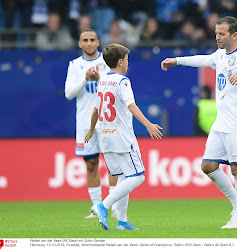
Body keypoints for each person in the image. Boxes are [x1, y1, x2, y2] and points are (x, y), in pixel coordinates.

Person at [161, 16, 237, 229]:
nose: (217, 37)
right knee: (208, 166)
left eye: (222, 33)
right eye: (216, 33)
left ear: (234, 35)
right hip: (221, 122)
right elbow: (202, 60)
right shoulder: (220, 55)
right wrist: (176, 60)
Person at [85, 43, 163, 230]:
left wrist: (90, 130)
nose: (128, 63)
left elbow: (96, 109)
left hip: (105, 136)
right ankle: (103, 206)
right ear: (121, 62)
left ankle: (122, 221)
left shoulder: (102, 81)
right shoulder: (122, 82)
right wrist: (148, 124)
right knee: (138, 177)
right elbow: (131, 105)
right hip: (122, 137)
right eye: (127, 59)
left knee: (123, 177)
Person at [65, 29, 118, 219]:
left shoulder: (107, 62)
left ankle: (115, 208)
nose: (89, 43)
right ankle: (97, 208)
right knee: (91, 164)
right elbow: (69, 93)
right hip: (85, 122)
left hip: (107, 121)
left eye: (92, 40)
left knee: (113, 163)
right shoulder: (74, 65)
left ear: (98, 42)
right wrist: (85, 79)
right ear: (79, 44)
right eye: (85, 40)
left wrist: (100, 79)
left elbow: (117, 86)